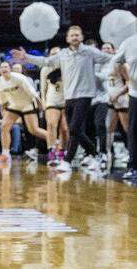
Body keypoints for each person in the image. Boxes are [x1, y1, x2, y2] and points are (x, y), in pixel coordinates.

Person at [13, 26, 113, 173]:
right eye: (72, 35)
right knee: (77, 130)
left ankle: (67, 161)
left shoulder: (90, 52)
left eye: (77, 35)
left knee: (72, 129)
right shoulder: (63, 54)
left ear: (81, 37)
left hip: (85, 95)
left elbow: (110, 58)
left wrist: (126, 56)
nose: (74, 37)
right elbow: (45, 61)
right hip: (69, 96)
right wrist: (27, 57)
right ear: (67, 38)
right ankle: (96, 154)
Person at [109, 35, 137, 179]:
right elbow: (116, 61)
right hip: (135, 93)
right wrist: (128, 76)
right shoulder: (129, 42)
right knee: (132, 131)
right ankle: (133, 167)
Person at [37, 46, 67, 165]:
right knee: (51, 125)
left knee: (65, 128)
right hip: (52, 101)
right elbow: (43, 88)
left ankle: (62, 151)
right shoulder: (45, 68)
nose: (55, 56)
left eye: (57, 54)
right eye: (53, 53)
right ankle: (52, 151)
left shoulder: (68, 66)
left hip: (66, 100)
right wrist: (44, 103)